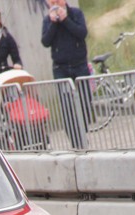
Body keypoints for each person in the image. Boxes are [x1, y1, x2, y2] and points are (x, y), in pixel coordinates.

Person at [41, 0, 90, 149]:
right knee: (67, 106)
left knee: (85, 102)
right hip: (60, 68)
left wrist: (65, 20)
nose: (55, 2)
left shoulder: (75, 13)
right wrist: (53, 23)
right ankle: (77, 143)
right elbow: (45, 41)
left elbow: (82, 33)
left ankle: (82, 133)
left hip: (79, 65)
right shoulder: (47, 19)